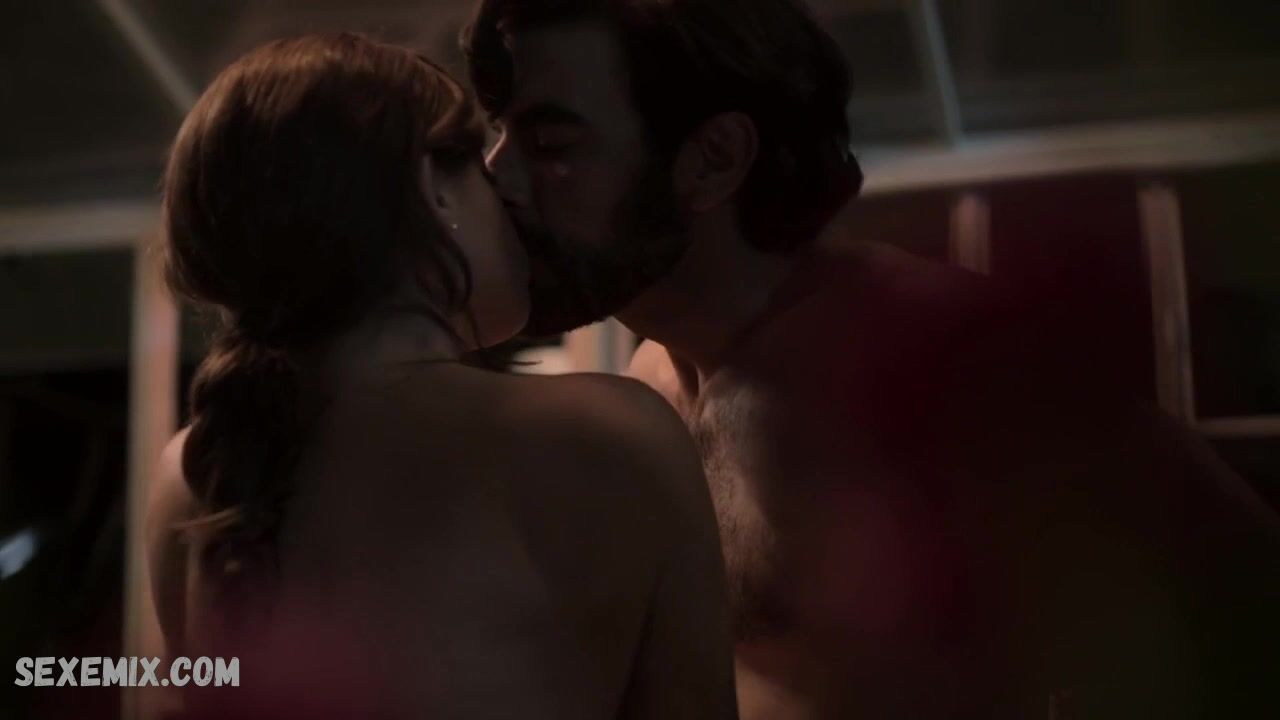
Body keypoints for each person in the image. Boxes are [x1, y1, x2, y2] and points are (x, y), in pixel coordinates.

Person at [464, 1, 1280, 717]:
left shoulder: (936, 352)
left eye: (550, 140)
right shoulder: (649, 385)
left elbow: (1242, 586)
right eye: (500, 134)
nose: (497, 176)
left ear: (713, 158)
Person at [146, 33, 737, 720]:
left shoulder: (193, 475)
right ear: (434, 189)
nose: (506, 187)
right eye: (480, 162)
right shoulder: (616, 436)